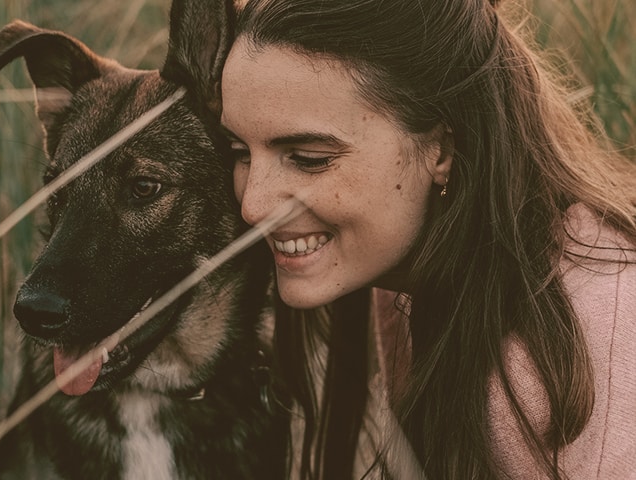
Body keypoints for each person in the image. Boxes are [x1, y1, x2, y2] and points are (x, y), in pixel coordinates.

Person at [218, 0, 636, 478]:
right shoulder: (417, 268)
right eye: (239, 151)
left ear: (442, 147)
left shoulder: (588, 350)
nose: (253, 205)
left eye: (309, 158)